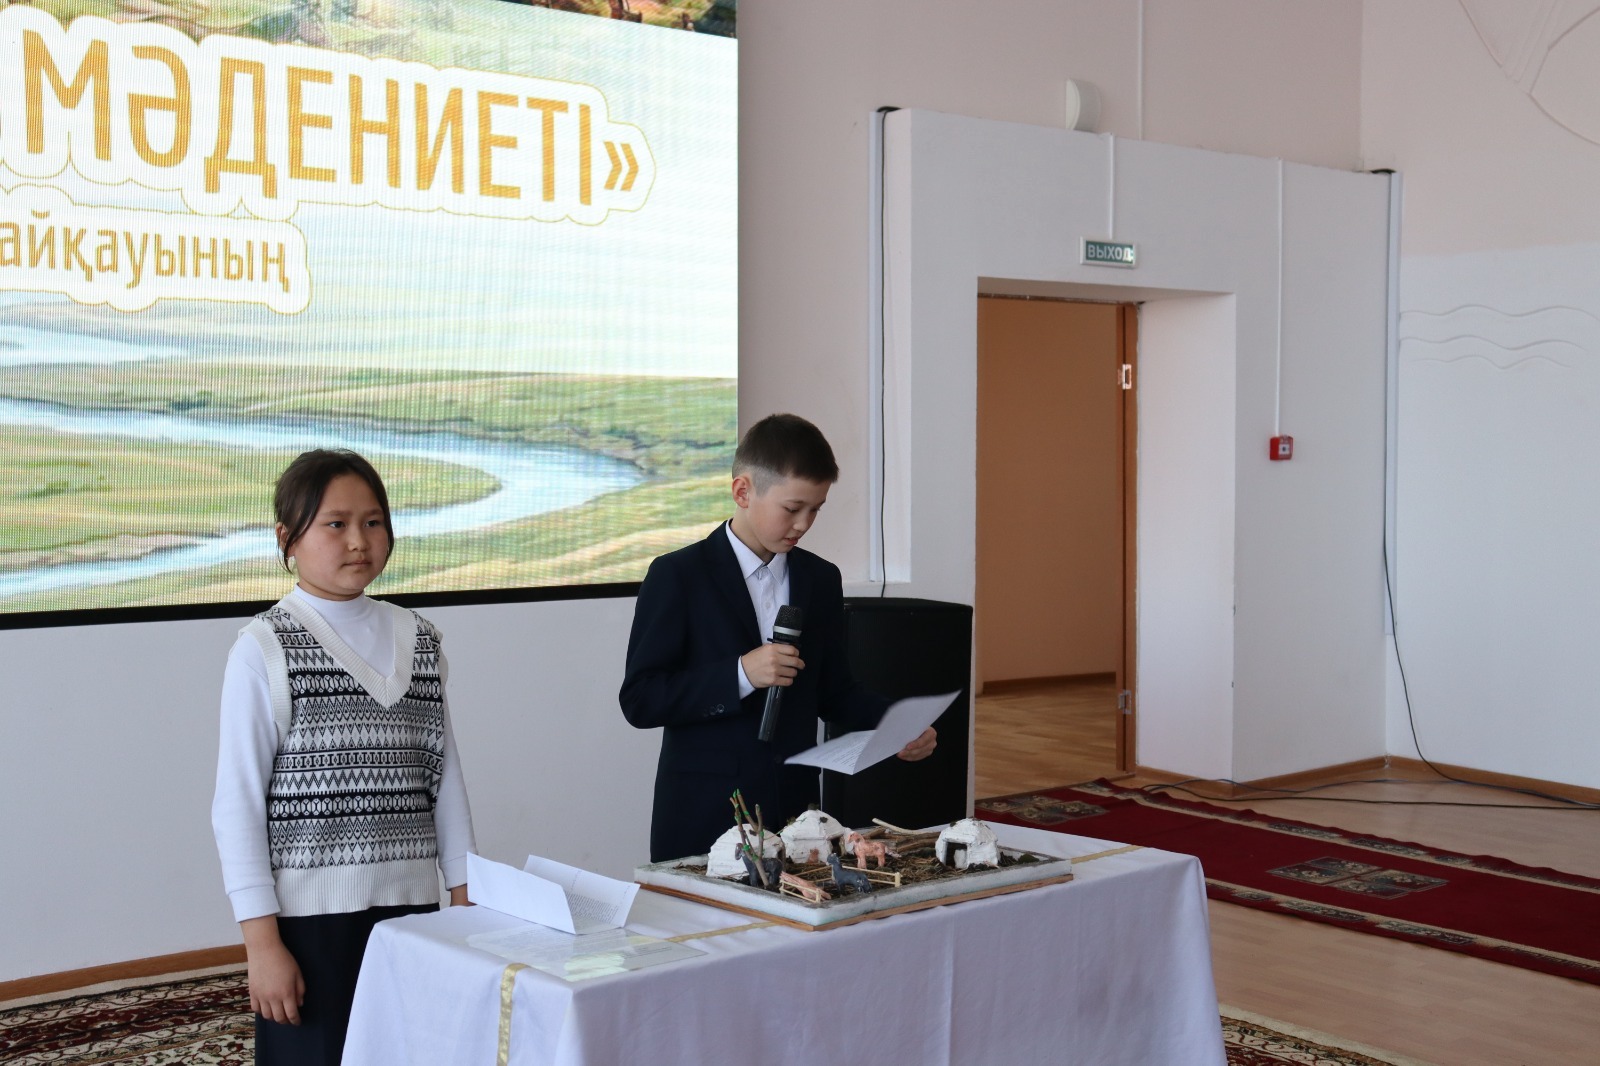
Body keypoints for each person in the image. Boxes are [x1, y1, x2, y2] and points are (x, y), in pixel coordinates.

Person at [211, 449, 475, 1066]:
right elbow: (237, 807)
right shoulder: (264, 648)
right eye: (335, 524)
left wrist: (464, 897)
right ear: (287, 538)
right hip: (309, 922)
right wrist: (262, 945)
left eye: (373, 522)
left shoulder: (421, 640)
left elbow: (445, 780)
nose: (359, 540)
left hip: (411, 909)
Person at [620, 413, 936, 862]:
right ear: (742, 492)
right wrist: (740, 674)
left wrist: (895, 725)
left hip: (797, 815)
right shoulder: (678, 575)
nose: (803, 524)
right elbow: (641, 699)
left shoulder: (820, 578)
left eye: (816, 509)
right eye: (792, 509)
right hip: (703, 813)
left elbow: (835, 691)